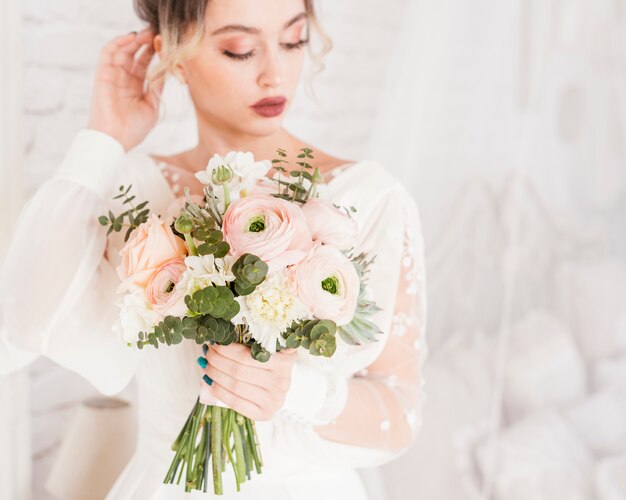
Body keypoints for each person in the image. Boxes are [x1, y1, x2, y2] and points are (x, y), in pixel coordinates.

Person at [0, 0, 428, 498]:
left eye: (293, 40)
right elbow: (22, 325)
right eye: (240, 50)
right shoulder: (134, 189)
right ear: (175, 56)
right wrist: (104, 138)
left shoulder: (366, 198)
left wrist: (297, 390)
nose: (276, 74)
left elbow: (400, 413)